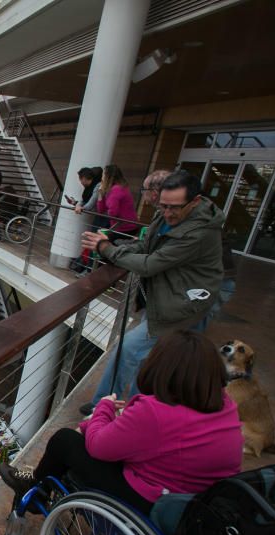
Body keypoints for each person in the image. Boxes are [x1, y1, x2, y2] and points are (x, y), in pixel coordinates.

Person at [0, 330, 243, 514]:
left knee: (65, 441)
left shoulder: (156, 412)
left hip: (155, 501)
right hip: (198, 503)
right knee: (86, 435)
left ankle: (35, 492)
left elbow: (98, 446)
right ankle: (39, 483)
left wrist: (104, 407)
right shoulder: (225, 406)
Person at [79, 169, 225, 414]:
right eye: (163, 206)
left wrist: (106, 248)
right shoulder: (168, 216)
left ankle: (104, 406)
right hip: (166, 298)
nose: (167, 212)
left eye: (174, 208)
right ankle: (134, 408)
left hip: (179, 305)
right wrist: (116, 247)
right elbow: (145, 246)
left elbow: (150, 263)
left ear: (195, 201)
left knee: (127, 351)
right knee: (147, 359)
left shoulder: (199, 233)